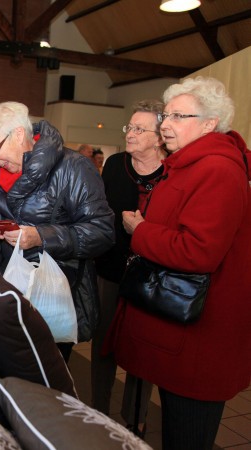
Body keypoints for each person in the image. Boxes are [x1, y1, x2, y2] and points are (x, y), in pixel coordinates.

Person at [108, 76, 251, 450]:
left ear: (209, 123)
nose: (165, 124)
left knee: (187, 434)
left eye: (177, 116)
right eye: (165, 116)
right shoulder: (190, 165)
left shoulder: (216, 170)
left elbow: (198, 251)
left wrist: (140, 231)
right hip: (180, 328)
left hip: (200, 336)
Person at [0, 101, 115, 362]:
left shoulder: (74, 168)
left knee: (47, 382)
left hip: (53, 296)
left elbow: (102, 231)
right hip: (8, 294)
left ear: (17, 134)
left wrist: (40, 237)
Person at [92, 99, 168, 437]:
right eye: (130, 127)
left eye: (140, 129)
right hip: (110, 268)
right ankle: (96, 410)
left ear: (159, 138)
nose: (131, 134)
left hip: (151, 274)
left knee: (143, 349)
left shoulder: (173, 173)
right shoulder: (114, 165)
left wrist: (143, 230)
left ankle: (134, 418)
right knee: (103, 341)